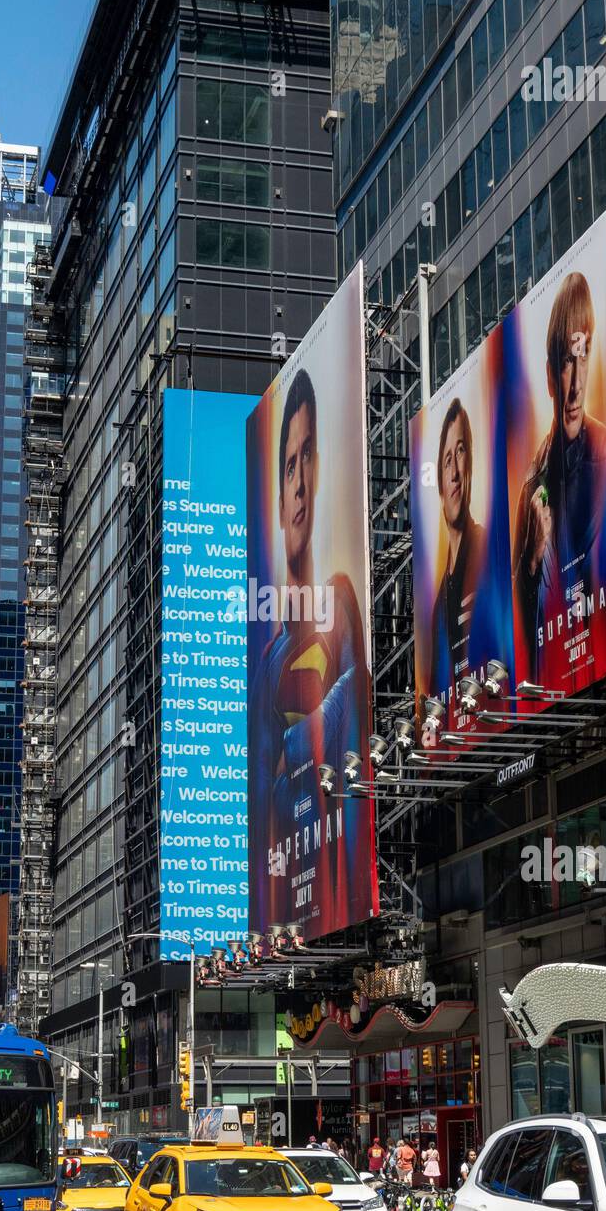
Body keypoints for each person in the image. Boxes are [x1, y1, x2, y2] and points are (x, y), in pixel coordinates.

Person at [249, 368, 371, 934]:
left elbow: (357, 707)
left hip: (343, 878)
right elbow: (260, 811)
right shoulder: (270, 662)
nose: (299, 483)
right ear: (279, 498)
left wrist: (293, 747)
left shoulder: (341, 603)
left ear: (318, 472)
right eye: (288, 466)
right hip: (290, 904)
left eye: (306, 458)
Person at [512, 271, 606, 684]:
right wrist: (532, 559)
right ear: (550, 376)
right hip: (552, 691)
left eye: (582, 356)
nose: (575, 386)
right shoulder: (531, 486)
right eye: (566, 363)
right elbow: (517, 632)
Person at [428, 398, 486, 715]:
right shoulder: (437, 607)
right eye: (447, 459)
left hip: (494, 710)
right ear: (439, 480)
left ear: (471, 465)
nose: (454, 473)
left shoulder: (488, 551)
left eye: (460, 452)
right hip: (456, 731)